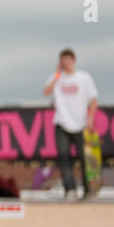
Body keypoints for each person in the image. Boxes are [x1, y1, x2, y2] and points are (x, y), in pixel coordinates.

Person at [42, 48, 99, 199]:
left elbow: (93, 99)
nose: (66, 63)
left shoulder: (84, 78)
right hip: (62, 122)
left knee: (84, 157)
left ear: (73, 60)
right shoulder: (57, 77)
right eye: (63, 60)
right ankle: (70, 190)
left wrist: (90, 118)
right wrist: (57, 74)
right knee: (64, 156)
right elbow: (46, 91)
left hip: (80, 124)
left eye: (68, 60)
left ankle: (88, 190)